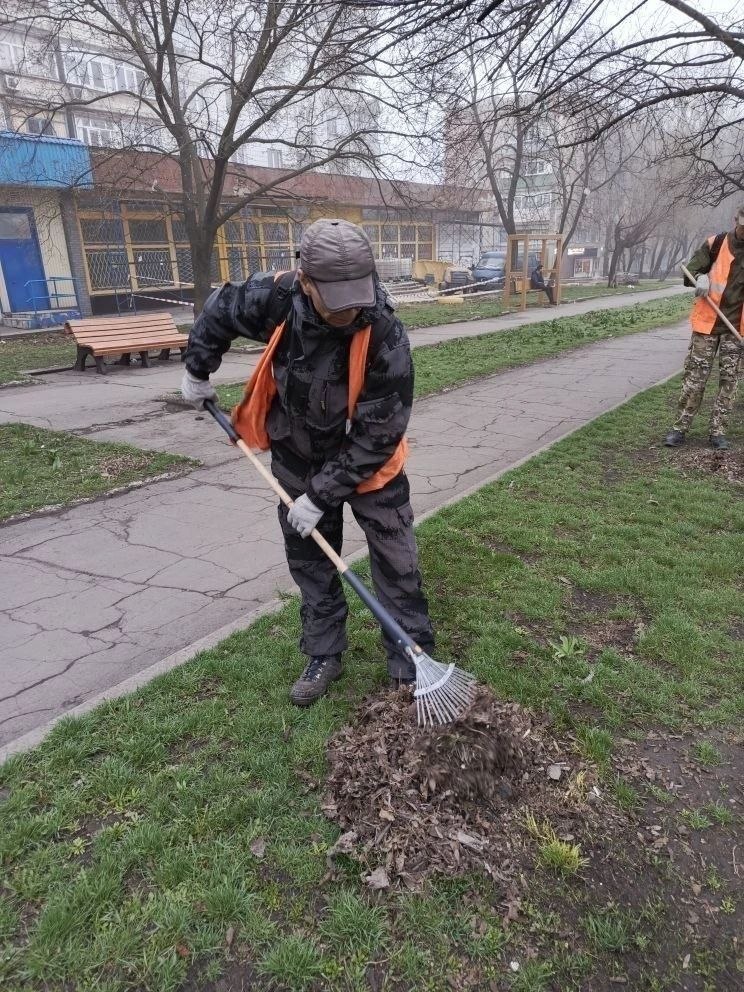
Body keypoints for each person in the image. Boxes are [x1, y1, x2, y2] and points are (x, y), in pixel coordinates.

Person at [181, 218, 435, 706]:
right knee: (312, 561)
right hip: (297, 450)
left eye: (357, 296)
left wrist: (321, 496)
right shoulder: (277, 299)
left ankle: (410, 663)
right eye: (335, 299)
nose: (349, 311)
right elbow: (220, 310)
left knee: (397, 559)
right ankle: (324, 654)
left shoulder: (384, 331)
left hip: (369, 463)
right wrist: (197, 368)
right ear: (306, 282)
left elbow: (380, 433)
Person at [665, 205, 744, 451]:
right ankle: (680, 429)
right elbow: (690, 271)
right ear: (736, 221)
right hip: (708, 324)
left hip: (737, 329)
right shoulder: (716, 243)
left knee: (729, 382)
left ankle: (718, 432)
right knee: (695, 380)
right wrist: (700, 278)